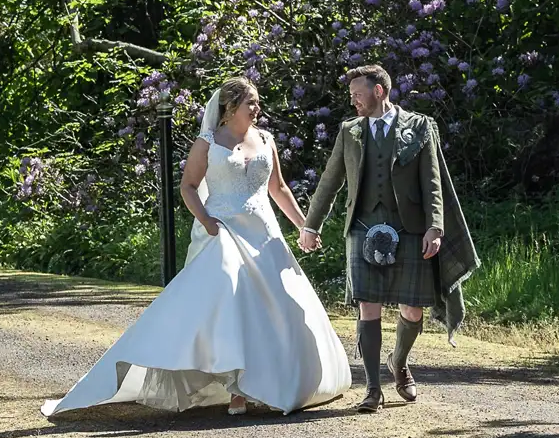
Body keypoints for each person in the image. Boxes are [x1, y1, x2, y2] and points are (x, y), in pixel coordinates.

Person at [42, 77, 351, 417]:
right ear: (230, 107)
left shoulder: (265, 140)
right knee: (234, 306)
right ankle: (237, 390)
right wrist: (206, 221)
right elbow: (188, 187)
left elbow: (278, 188)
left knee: (278, 311)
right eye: (251, 102)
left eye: (257, 102)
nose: (257, 108)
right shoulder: (207, 143)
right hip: (223, 233)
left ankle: (278, 382)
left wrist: (304, 226)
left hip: (264, 236)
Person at [299, 65, 479, 412]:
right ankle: (372, 388)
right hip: (363, 227)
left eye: (358, 94)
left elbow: (432, 182)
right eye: (351, 95)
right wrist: (311, 225)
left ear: (379, 91)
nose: (353, 101)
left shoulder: (420, 127)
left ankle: (398, 362)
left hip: (409, 229)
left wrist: (435, 226)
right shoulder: (349, 131)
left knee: (412, 310)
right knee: (369, 306)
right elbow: (330, 180)